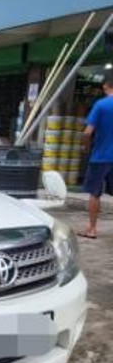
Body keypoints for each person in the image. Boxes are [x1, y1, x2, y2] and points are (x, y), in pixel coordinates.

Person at [79, 70, 113, 239]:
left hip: (101, 157)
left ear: (106, 86)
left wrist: (85, 147)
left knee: (95, 193)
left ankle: (92, 229)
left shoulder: (101, 105)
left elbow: (87, 132)